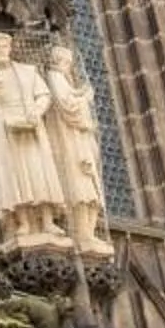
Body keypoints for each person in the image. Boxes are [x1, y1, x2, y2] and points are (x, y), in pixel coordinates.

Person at [0, 33, 68, 252]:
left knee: (39, 173)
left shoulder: (27, 72)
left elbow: (44, 95)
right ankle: (24, 222)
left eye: (4, 46)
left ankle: (47, 221)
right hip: (3, 131)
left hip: (30, 127)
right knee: (14, 177)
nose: (1, 50)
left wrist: (36, 111)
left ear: (10, 48)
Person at [41, 40, 115, 258]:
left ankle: (89, 233)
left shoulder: (65, 80)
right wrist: (84, 97)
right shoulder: (55, 77)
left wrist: (81, 94)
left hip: (79, 138)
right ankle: (82, 234)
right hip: (69, 141)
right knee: (80, 186)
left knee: (90, 186)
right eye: (65, 61)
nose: (68, 66)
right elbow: (67, 105)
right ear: (57, 61)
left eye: (69, 62)